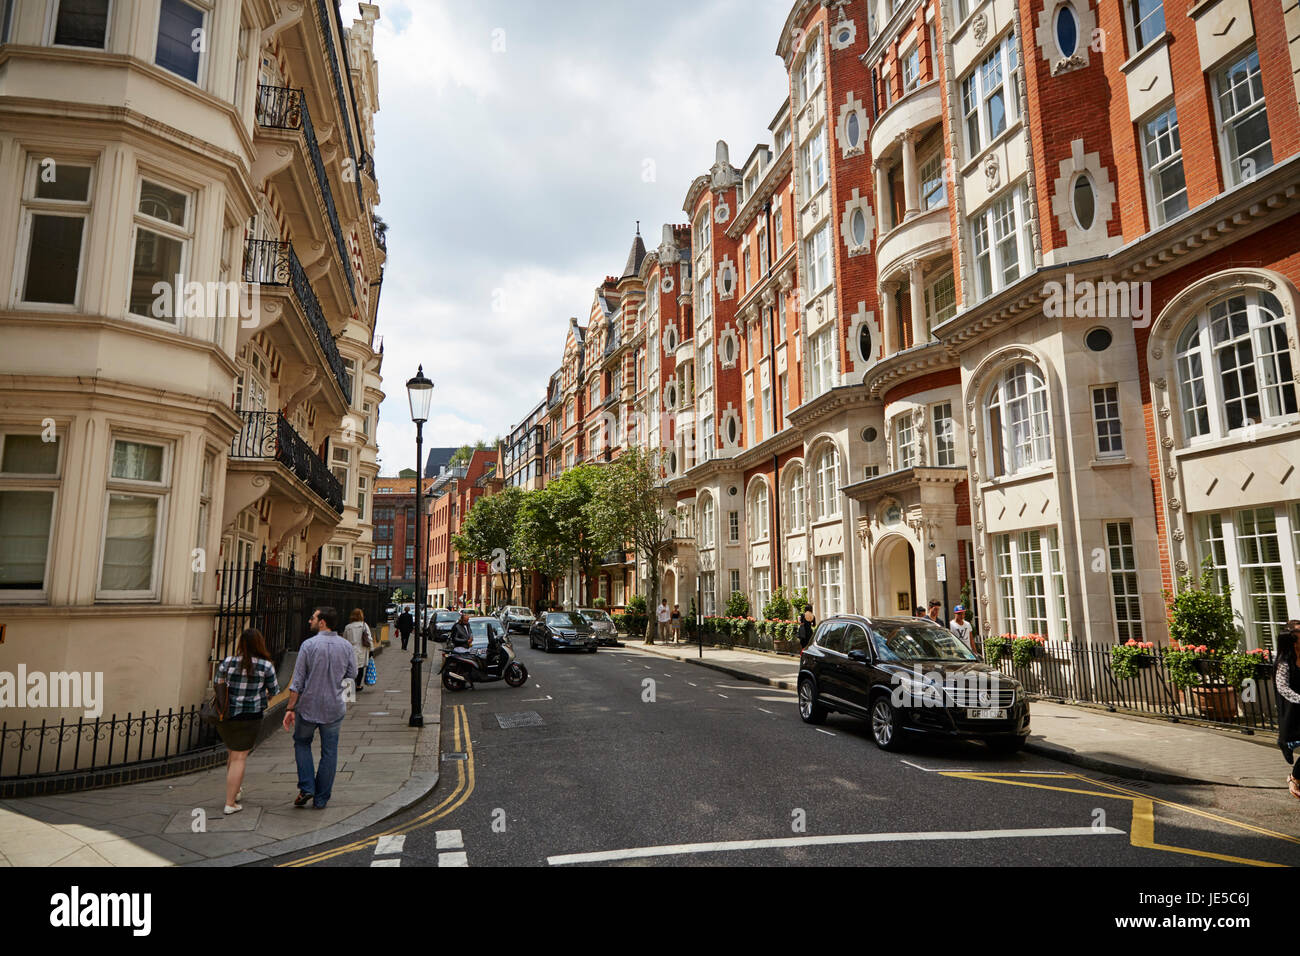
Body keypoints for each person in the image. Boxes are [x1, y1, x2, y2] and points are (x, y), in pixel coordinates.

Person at [283, 606, 356, 810]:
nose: (309, 621)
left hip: (308, 707)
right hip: (334, 708)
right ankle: (321, 799)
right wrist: (344, 700)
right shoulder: (346, 646)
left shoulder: (309, 645)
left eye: (313, 618)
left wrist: (290, 709)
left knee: (302, 743)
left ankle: (307, 786)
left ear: (322, 622)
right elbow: (352, 674)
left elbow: (297, 681)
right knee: (330, 752)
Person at [214, 628, 279, 815]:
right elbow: (274, 690)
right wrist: (262, 694)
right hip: (250, 715)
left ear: (241, 643)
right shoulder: (265, 666)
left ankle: (236, 791)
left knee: (232, 754)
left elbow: (218, 683)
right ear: (259, 644)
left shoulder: (228, 662)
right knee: (240, 757)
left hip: (227, 715)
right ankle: (230, 802)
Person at [1275, 621, 1300, 800]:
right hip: (1294, 710)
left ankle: (1295, 777)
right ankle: (1294, 778)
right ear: (1293, 638)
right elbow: (1282, 688)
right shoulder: (1284, 662)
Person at [343, 608, 373, 690]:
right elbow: (369, 638)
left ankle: (350, 687)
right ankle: (358, 685)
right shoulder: (364, 625)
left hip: (351, 649)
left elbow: (344, 640)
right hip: (362, 649)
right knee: (360, 668)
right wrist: (371, 649)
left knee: (350, 668)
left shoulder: (348, 627)